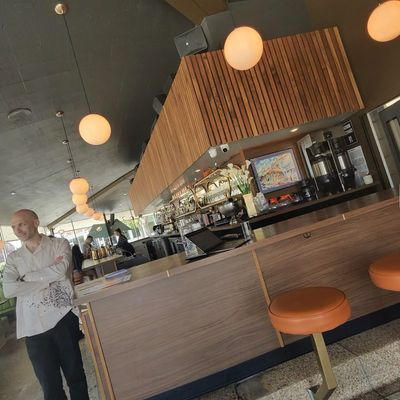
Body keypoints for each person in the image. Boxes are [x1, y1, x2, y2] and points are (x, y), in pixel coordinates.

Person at [2, 209, 89, 400]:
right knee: (50, 388)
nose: (17, 230)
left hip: (63, 318)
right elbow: (8, 289)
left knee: (76, 377)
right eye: (14, 227)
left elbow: (60, 271)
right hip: (32, 327)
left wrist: (26, 279)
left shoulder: (59, 244)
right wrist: (47, 279)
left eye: (21, 224)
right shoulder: (14, 258)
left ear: (35, 222)